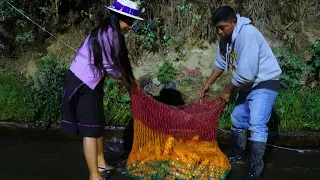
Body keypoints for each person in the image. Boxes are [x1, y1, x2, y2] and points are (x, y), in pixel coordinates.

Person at [61, 1, 143, 180]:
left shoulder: (112, 33)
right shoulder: (107, 34)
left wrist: (128, 78)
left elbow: (115, 63)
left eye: (132, 22)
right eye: (128, 21)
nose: (130, 26)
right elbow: (109, 66)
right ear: (117, 17)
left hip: (94, 81)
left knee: (98, 123)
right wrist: (126, 80)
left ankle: (101, 163)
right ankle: (94, 175)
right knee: (90, 129)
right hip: (83, 82)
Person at [199, 6, 282, 180]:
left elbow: (247, 74)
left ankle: (254, 169)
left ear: (234, 22)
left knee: (257, 123)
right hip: (247, 83)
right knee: (238, 118)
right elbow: (221, 63)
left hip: (265, 82)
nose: (220, 32)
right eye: (217, 28)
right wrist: (208, 83)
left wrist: (226, 91)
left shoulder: (248, 35)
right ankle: (238, 155)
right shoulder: (226, 38)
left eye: (223, 27)